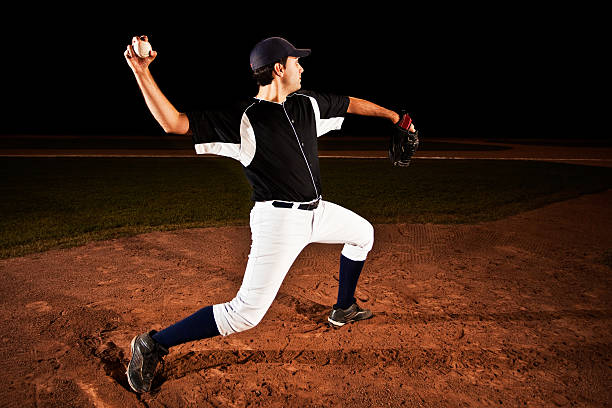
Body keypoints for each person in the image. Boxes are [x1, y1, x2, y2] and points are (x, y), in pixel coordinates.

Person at [123, 35, 416, 393]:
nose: (302, 67)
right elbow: (174, 122)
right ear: (279, 69)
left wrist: (396, 117)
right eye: (297, 61)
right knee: (244, 314)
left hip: (317, 211)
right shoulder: (244, 120)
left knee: (363, 233)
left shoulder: (307, 104)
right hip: (278, 223)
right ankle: (153, 343)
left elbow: (350, 103)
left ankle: (344, 308)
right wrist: (142, 72)